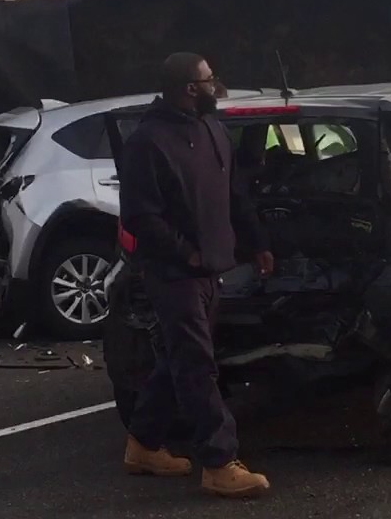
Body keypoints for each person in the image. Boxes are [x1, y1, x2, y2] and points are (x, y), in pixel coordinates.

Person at [118, 52, 275, 498]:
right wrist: (185, 255)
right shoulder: (148, 142)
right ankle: (219, 461)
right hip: (174, 274)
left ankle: (143, 443)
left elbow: (234, 194)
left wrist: (257, 243)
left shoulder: (212, 130)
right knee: (197, 365)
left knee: (178, 359)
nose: (216, 87)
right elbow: (140, 216)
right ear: (190, 88)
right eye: (210, 81)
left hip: (212, 269)